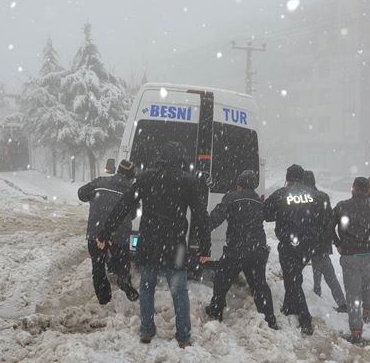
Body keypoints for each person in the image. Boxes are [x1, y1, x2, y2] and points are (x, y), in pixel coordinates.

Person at [97, 142, 211, 348]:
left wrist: (105, 232)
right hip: (175, 245)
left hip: (149, 243)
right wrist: (205, 247)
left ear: (160, 158)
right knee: (179, 291)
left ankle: (147, 331)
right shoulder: (188, 182)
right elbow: (201, 216)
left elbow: (123, 205)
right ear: (180, 159)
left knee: (147, 288)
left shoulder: (146, 178)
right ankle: (183, 336)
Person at [205, 170, 279, 329]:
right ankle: (270, 319)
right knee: (259, 285)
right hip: (258, 249)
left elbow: (216, 218)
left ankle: (216, 310)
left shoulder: (232, 197)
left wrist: (204, 229)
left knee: (221, 279)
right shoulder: (259, 201)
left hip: (237, 248)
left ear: (239, 184)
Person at [264, 164, 331, 335]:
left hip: (289, 243)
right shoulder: (317, 196)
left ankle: (305, 318)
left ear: (287, 178)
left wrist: (281, 214)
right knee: (294, 276)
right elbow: (325, 219)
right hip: (309, 245)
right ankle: (289, 307)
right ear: (302, 177)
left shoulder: (281, 193)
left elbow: (266, 214)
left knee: (292, 278)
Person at [332, 177, 370, 344]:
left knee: (353, 294)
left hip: (350, 253)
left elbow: (328, 226)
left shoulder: (342, 206)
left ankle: (356, 331)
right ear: (367, 190)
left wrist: (338, 243)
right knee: (368, 283)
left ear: (353, 188)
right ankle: (367, 312)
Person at [78, 160, 139, 305]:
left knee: (98, 267)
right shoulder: (132, 190)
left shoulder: (100, 182)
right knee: (123, 263)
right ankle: (124, 281)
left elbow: (81, 193)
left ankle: (104, 299)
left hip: (96, 233)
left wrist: (94, 196)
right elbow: (134, 214)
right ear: (131, 176)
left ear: (117, 170)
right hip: (120, 235)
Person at [305, 171, 347, 313]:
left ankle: (342, 303)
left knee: (328, 273)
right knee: (319, 265)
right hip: (321, 241)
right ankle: (317, 290)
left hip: (310, 241)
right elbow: (329, 220)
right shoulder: (323, 196)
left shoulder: (304, 198)